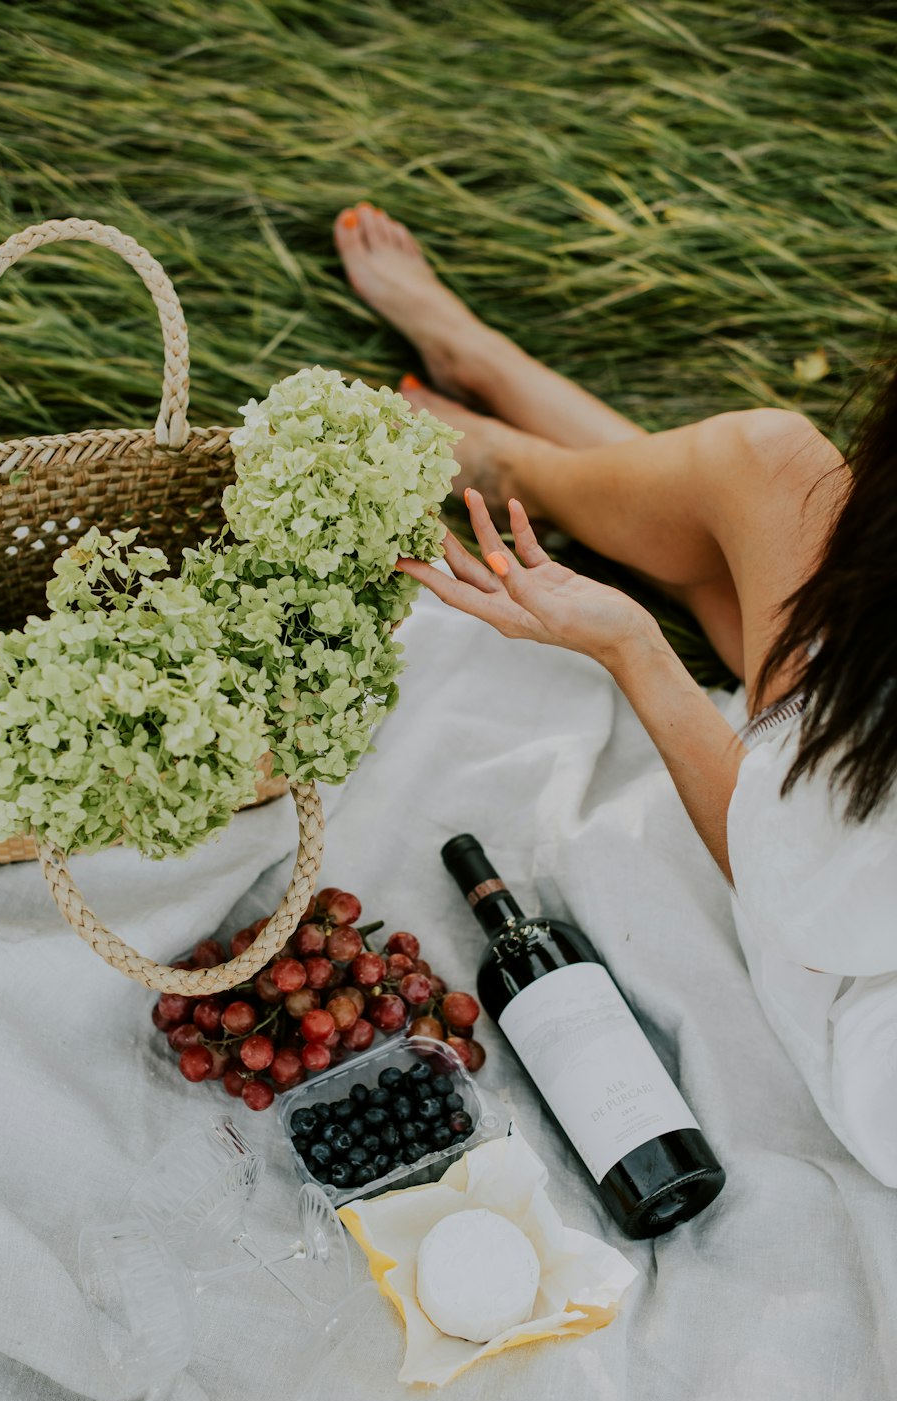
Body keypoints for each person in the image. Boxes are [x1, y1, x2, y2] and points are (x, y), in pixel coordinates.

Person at [333, 201, 897, 1187]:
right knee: (730, 564)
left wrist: (633, 650)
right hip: (852, 875)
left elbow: (798, 888)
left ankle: (520, 461)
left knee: (766, 469)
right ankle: (503, 394)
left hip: (844, 976)